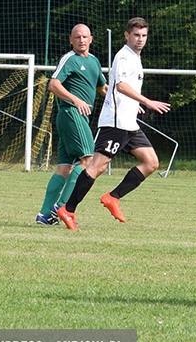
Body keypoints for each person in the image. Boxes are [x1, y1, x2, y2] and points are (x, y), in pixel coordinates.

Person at [57, 17, 171, 231]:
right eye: (136, 35)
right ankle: (68, 210)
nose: (140, 39)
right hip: (115, 124)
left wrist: (133, 104)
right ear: (127, 35)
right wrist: (145, 101)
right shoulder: (124, 57)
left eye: (144, 35)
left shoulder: (136, 58)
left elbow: (124, 89)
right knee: (96, 167)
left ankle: (113, 197)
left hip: (129, 123)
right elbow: (120, 85)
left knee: (151, 162)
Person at [35, 24, 108, 225]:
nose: (81, 40)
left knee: (65, 168)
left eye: (85, 37)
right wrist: (75, 100)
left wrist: (127, 101)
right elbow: (53, 84)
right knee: (89, 159)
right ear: (71, 40)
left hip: (77, 117)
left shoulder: (93, 61)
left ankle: (43, 215)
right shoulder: (69, 59)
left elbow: (103, 87)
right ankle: (62, 206)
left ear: (91, 39)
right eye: (77, 37)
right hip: (70, 113)